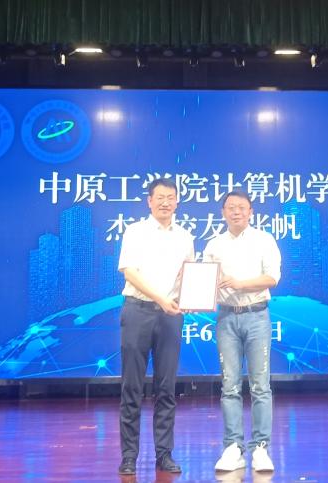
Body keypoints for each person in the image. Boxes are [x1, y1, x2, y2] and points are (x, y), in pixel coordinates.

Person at [116, 178, 194, 475]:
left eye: (170, 197)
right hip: (138, 311)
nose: (165, 202)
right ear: (149, 201)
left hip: (170, 315)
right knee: (132, 386)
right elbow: (129, 272)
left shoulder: (185, 237)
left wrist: (190, 297)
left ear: (177, 202)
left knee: (166, 387)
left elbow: (188, 276)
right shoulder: (135, 231)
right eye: (160, 197)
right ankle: (129, 456)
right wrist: (161, 298)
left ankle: (164, 454)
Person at [203, 191, 282, 473]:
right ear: (223, 212)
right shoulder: (214, 245)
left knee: (260, 385)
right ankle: (233, 447)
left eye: (241, 207)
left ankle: (260, 447)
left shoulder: (264, 240)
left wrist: (238, 283)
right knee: (230, 386)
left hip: (257, 315)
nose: (236, 211)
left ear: (251, 212)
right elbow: (205, 283)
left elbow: (272, 278)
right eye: (230, 207)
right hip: (226, 318)